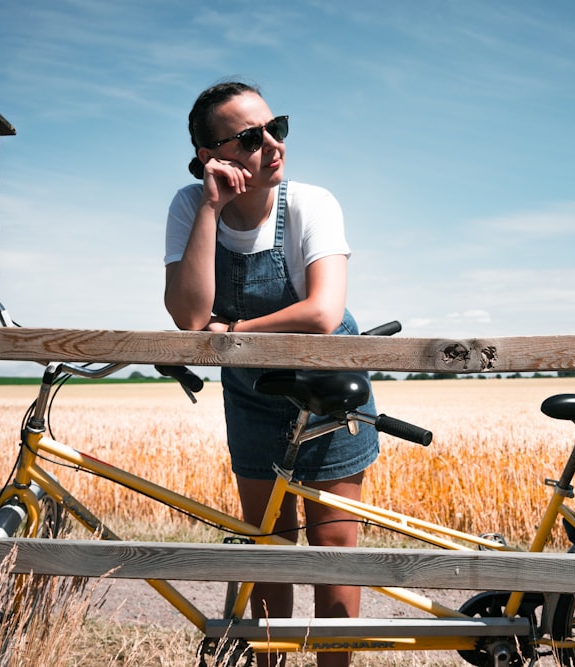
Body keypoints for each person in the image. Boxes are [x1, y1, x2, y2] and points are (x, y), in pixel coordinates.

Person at [163, 81, 379, 667]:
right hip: (254, 392)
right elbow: (187, 316)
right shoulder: (191, 206)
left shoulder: (311, 203)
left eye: (276, 127)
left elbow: (322, 312)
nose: (274, 145)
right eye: (252, 137)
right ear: (214, 156)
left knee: (334, 552)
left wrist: (232, 332)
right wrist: (210, 207)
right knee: (269, 548)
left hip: (329, 389)